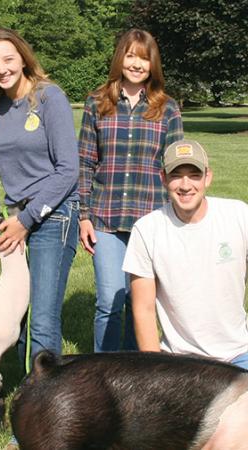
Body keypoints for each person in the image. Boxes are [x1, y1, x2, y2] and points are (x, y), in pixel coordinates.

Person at [122, 139, 248, 376]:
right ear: (163, 179)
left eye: (194, 175)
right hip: (178, 361)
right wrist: (156, 372)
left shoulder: (238, 214)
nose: (186, 185)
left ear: (208, 177)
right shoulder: (146, 230)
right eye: (176, 175)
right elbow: (144, 310)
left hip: (237, 357)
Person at [0, 28, 79, 370]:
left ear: (23, 59)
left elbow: (67, 170)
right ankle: (31, 389)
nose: (1, 68)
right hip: (13, 222)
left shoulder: (49, 98)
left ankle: (44, 405)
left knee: (43, 315)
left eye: (8, 59)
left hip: (52, 215)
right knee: (16, 310)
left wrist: (26, 220)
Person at [77, 29, 183, 353]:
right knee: (109, 301)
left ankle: (137, 377)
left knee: (138, 304)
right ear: (120, 58)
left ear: (153, 64)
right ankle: (103, 376)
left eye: (144, 57)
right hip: (105, 220)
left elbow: (176, 169)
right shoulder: (97, 103)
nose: (136, 64)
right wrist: (84, 216)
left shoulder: (167, 109)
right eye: (131, 55)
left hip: (150, 223)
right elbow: (84, 162)